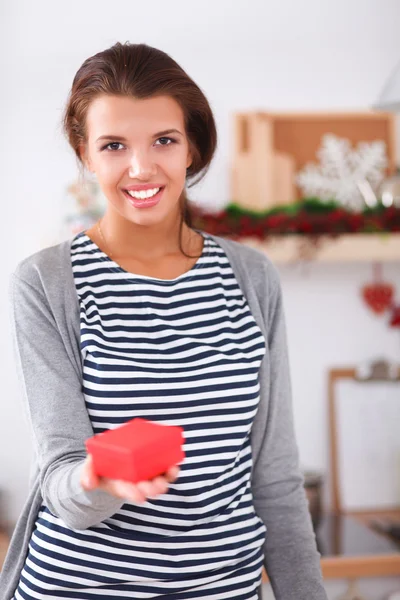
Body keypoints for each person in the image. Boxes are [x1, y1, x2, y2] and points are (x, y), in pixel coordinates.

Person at [0, 42, 327, 600]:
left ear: (192, 147)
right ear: (85, 152)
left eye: (164, 141)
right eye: (113, 145)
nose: (141, 167)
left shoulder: (251, 278)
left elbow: (273, 479)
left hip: (223, 588)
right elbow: (60, 477)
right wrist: (97, 479)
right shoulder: (47, 284)